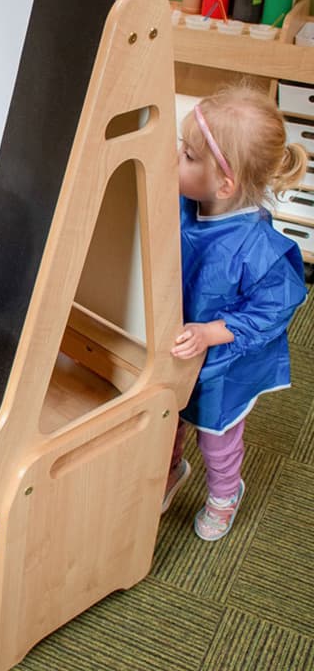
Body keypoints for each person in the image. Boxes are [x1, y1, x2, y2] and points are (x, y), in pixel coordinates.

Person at [163, 86, 307, 541]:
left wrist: (209, 332)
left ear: (225, 185)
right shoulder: (188, 203)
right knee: (168, 416)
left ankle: (225, 493)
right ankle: (171, 470)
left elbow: (269, 315)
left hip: (226, 361)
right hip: (180, 342)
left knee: (216, 436)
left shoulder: (259, 250)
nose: (174, 156)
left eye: (187, 154)